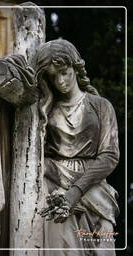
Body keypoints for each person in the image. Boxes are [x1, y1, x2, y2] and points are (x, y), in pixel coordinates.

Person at [35, 39, 120, 255]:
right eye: (53, 77)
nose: (60, 81)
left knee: (103, 247)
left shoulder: (100, 105)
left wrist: (74, 193)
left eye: (64, 72)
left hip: (95, 190)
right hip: (53, 187)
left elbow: (109, 155)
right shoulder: (46, 109)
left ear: (75, 66)